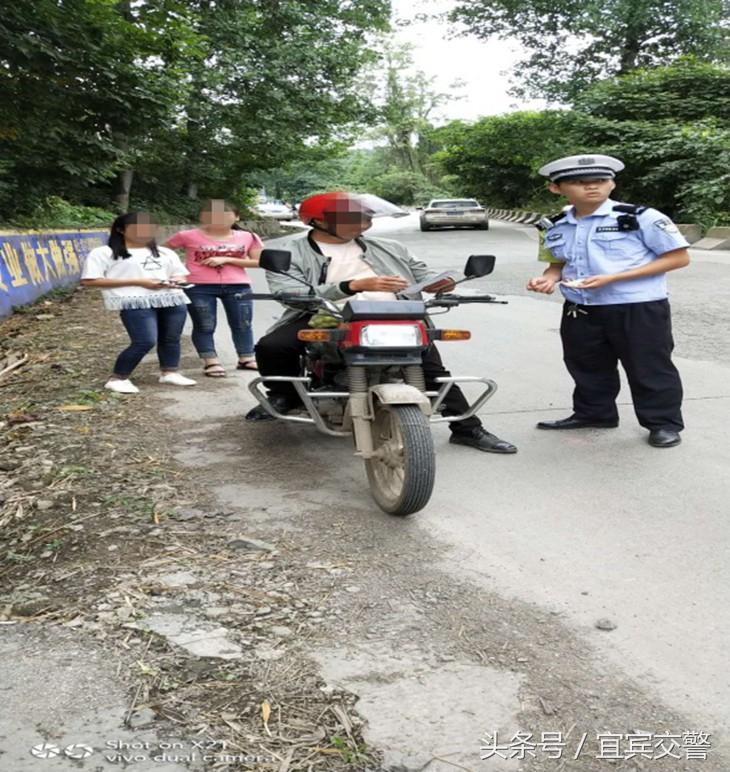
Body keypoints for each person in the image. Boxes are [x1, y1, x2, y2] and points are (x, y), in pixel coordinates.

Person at [245, 191, 517, 454]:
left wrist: (444, 283)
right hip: (324, 313)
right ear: (318, 221)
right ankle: (284, 394)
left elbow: (424, 274)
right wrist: (351, 285)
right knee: (274, 346)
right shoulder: (287, 251)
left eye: (364, 217)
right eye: (353, 218)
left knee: (430, 366)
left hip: (394, 312)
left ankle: (467, 428)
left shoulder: (390, 247)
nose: (364, 223)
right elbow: (288, 293)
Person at [527, 154, 690, 448]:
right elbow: (556, 263)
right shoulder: (552, 225)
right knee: (586, 365)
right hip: (581, 306)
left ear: (612, 184)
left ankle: (663, 424)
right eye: (579, 182)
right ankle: (594, 413)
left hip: (636, 306)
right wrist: (548, 278)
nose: (592, 187)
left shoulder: (640, 217)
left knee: (648, 366)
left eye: (600, 181)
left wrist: (613, 278)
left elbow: (679, 257)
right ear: (556, 188)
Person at [81, 212, 197, 394]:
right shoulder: (104, 253)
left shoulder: (165, 252)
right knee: (144, 340)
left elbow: (179, 273)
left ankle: (170, 372)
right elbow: (90, 280)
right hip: (134, 301)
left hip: (172, 298)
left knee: (171, 338)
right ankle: (118, 378)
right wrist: (138, 282)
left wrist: (177, 280)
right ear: (121, 230)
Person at [164, 199, 263, 377]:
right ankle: (211, 361)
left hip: (238, 285)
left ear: (236, 217)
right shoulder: (187, 235)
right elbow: (162, 253)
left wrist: (227, 259)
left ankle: (246, 357)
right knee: (205, 324)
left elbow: (259, 261)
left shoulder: (248, 236)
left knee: (243, 324)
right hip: (199, 286)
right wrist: (178, 272)